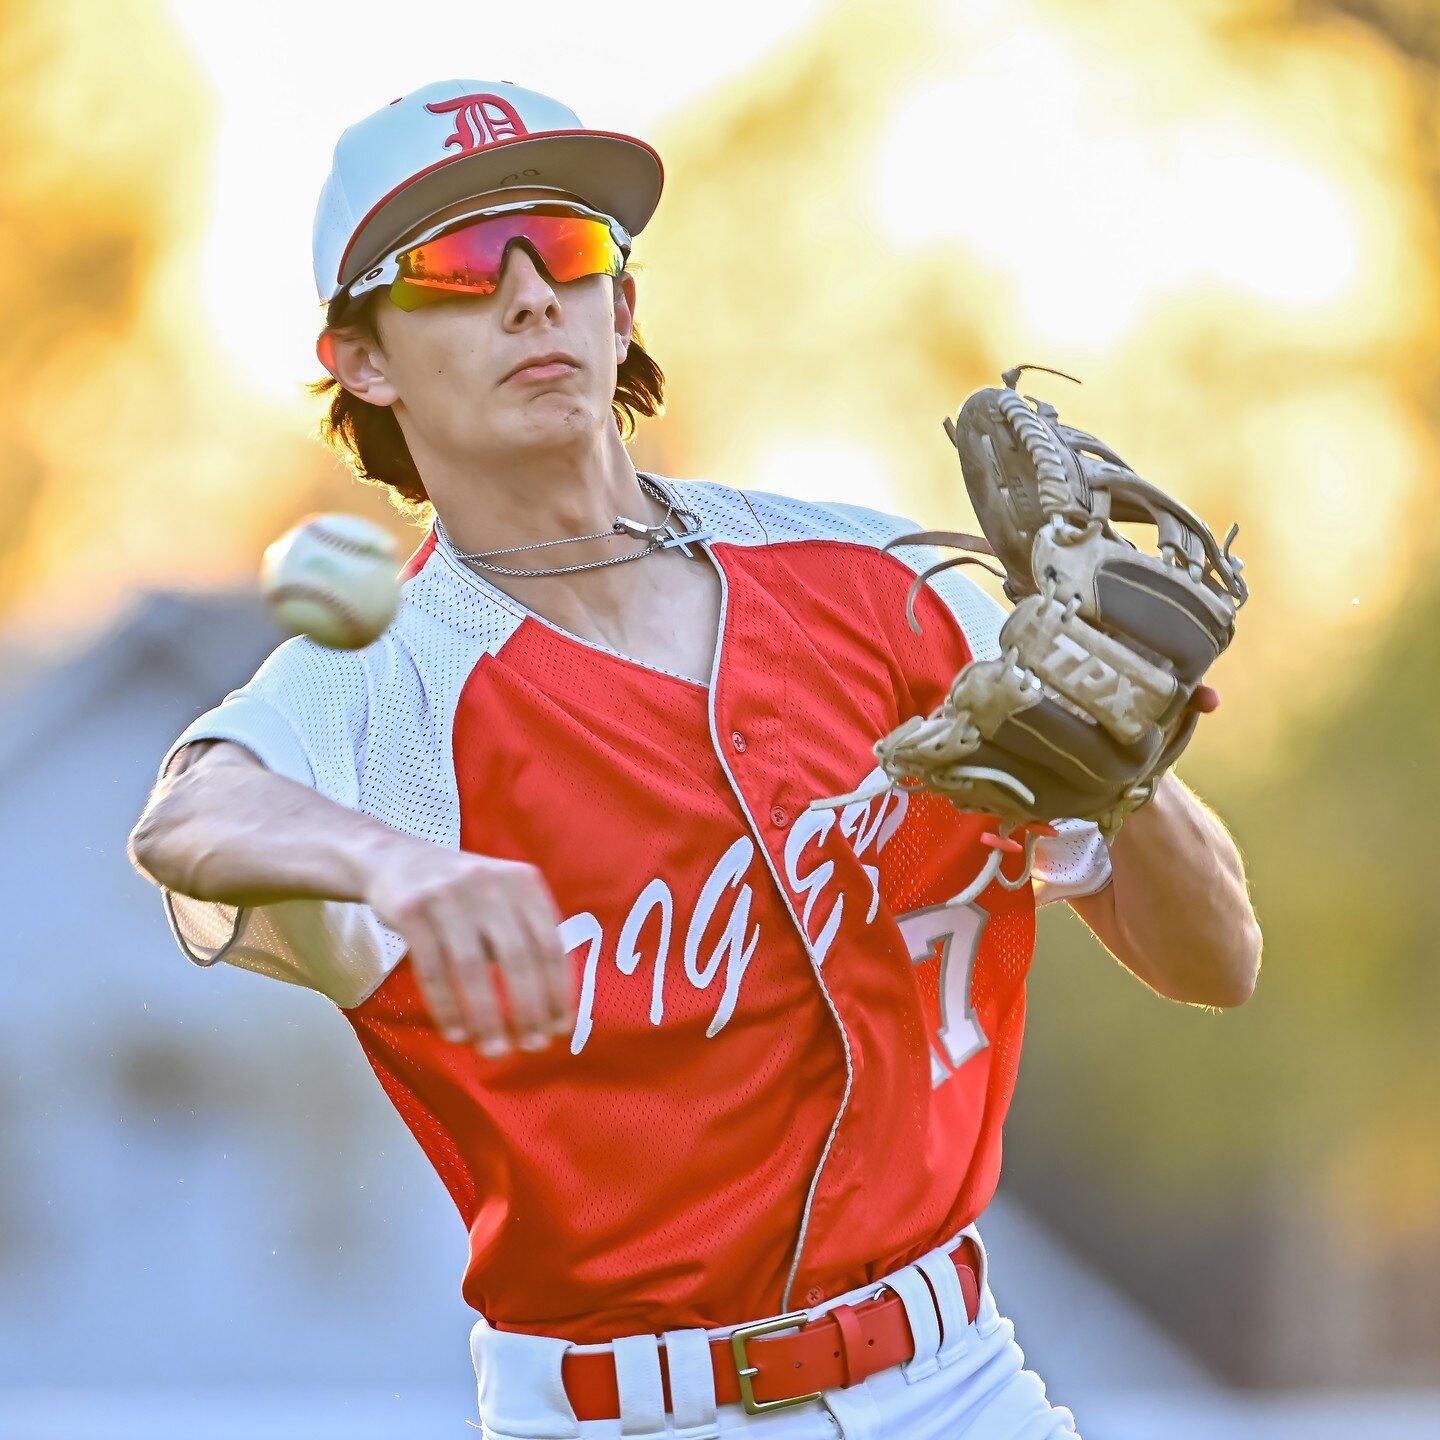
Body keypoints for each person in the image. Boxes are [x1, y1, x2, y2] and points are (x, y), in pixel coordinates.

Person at [127, 79, 1262, 1439]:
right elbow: (191, 811)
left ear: (625, 306)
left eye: (572, 247)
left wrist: (1132, 776)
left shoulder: (887, 584)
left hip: (962, 1385)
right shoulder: (391, 681)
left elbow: (1216, 964)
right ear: (360, 356)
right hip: (624, 1417)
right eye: (462, 264)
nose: (533, 295)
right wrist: (395, 864)